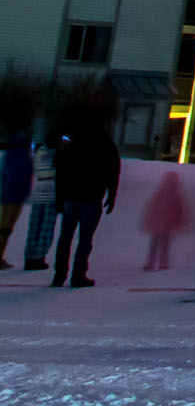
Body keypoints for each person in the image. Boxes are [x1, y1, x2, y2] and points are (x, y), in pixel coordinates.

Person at [50, 123, 120, 289]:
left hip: (70, 197)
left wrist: (59, 198)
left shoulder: (72, 146)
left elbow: (60, 172)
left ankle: (59, 275)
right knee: (85, 239)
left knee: (65, 237)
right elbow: (113, 172)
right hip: (91, 198)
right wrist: (111, 195)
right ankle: (78, 275)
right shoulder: (106, 146)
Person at [19, 134, 58, 273]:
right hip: (51, 192)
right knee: (46, 227)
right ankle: (39, 256)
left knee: (34, 226)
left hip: (39, 191)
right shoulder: (56, 153)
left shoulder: (39, 152)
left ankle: (29, 256)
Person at [141, 168, 189, 270]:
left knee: (156, 245)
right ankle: (162, 263)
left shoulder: (160, 194)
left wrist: (149, 220)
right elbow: (180, 211)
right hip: (166, 225)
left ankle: (152, 263)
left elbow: (152, 208)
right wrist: (180, 222)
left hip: (160, 225)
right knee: (163, 246)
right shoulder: (176, 195)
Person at [0, 130, 32, 267]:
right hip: (16, 195)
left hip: (4, 194)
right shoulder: (25, 157)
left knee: (3, 226)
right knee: (7, 227)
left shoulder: (7, 156)